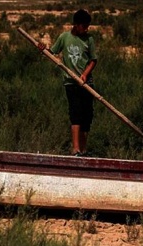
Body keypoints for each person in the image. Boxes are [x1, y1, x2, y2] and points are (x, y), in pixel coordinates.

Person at [38, 9, 97, 156]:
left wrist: (84, 74)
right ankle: (75, 149)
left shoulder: (89, 39)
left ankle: (84, 150)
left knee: (87, 116)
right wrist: (43, 50)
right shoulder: (64, 37)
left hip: (86, 83)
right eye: (84, 26)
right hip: (71, 83)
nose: (86, 29)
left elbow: (93, 60)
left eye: (87, 26)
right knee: (75, 114)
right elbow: (52, 53)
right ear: (76, 25)